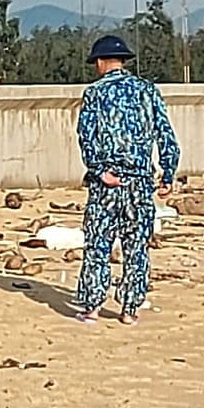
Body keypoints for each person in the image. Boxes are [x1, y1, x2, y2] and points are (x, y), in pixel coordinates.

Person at [75, 34, 180, 325]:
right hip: (139, 183)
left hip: (107, 183)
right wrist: (168, 172)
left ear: (99, 62)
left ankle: (92, 306)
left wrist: (99, 171)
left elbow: (86, 137)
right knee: (136, 247)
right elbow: (166, 135)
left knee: (98, 244)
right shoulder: (148, 91)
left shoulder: (94, 94)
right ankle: (129, 310)